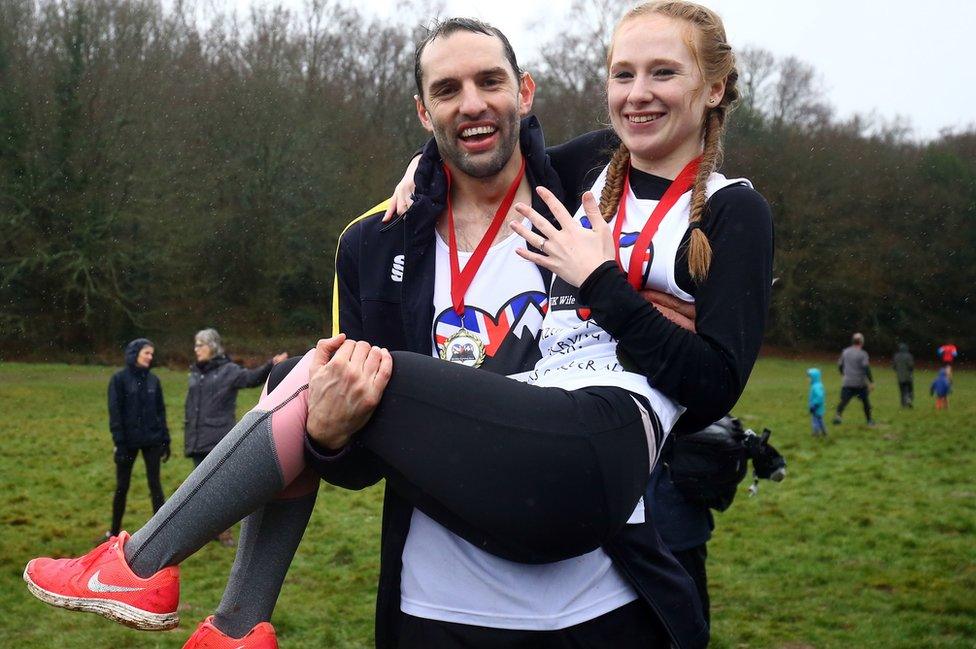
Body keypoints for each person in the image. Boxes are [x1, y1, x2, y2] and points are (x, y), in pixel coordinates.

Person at [24, 5, 772, 649]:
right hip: (436, 603)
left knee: (314, 372)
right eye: (446, 90)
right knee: (319, 381)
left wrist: (617, 296)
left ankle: (148, 569)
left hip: (600, 589)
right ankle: (235, 622)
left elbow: (698, 346)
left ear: (527, 94)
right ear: (422, 112)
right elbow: (358, 458)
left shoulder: (581, 192)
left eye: (490, 82)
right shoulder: (375, 242)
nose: (471, 104)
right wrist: (325, 432)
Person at [184, 328, 288, 546]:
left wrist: (271, 366)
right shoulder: (196, 372)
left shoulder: (228, 370)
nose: (196, 349)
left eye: (200, 345)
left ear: (212, 347)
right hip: (197, 438)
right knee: (199, 490)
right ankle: (203, 532)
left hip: (218, 437)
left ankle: (223, 533)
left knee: (218, 490)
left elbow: (251, 379)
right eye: (195, 345)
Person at [105, 338, 170, 540]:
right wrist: (119, 443)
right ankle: (113, 532)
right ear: (135, 354)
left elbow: (160, 411)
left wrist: (165, 439)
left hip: (152, 440)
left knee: (155, 485)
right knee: (122, 487)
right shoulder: (119, 380)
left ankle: (162, 532)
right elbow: (115, 413)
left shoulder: (154, 381)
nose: (150, 357)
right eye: (146, 353)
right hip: (127, 443)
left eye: (151, 354)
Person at [833, 332, 875, 426]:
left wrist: (843, 374)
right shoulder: (863, 354)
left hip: (847, 382)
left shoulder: (845, 351)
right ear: (861, 342)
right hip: (860, 383)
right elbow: (866, 368)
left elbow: (840, 365)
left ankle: (838, 417)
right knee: (865, 402)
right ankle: (869, 420)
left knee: (844, 401)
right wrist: (871, 382)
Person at [892, 343, 914, 408]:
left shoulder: (896, 356)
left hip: (900, 377)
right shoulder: (909, 356)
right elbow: (911, 366)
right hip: (908, 377)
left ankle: (903, 404)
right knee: (910, 390)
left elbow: (894, 366)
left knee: (902, 391)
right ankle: (909, 399)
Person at [807, 367, 827, 437]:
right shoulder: (817, 385)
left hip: (816, 407)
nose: (808, 379)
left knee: (815, 421)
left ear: (814, 377)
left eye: (809, 377)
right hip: (818, 407)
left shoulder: (816, 386)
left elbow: (820, 396)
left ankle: (816, 433)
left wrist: (814, 405)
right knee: (820, 420)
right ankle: (824, 432)